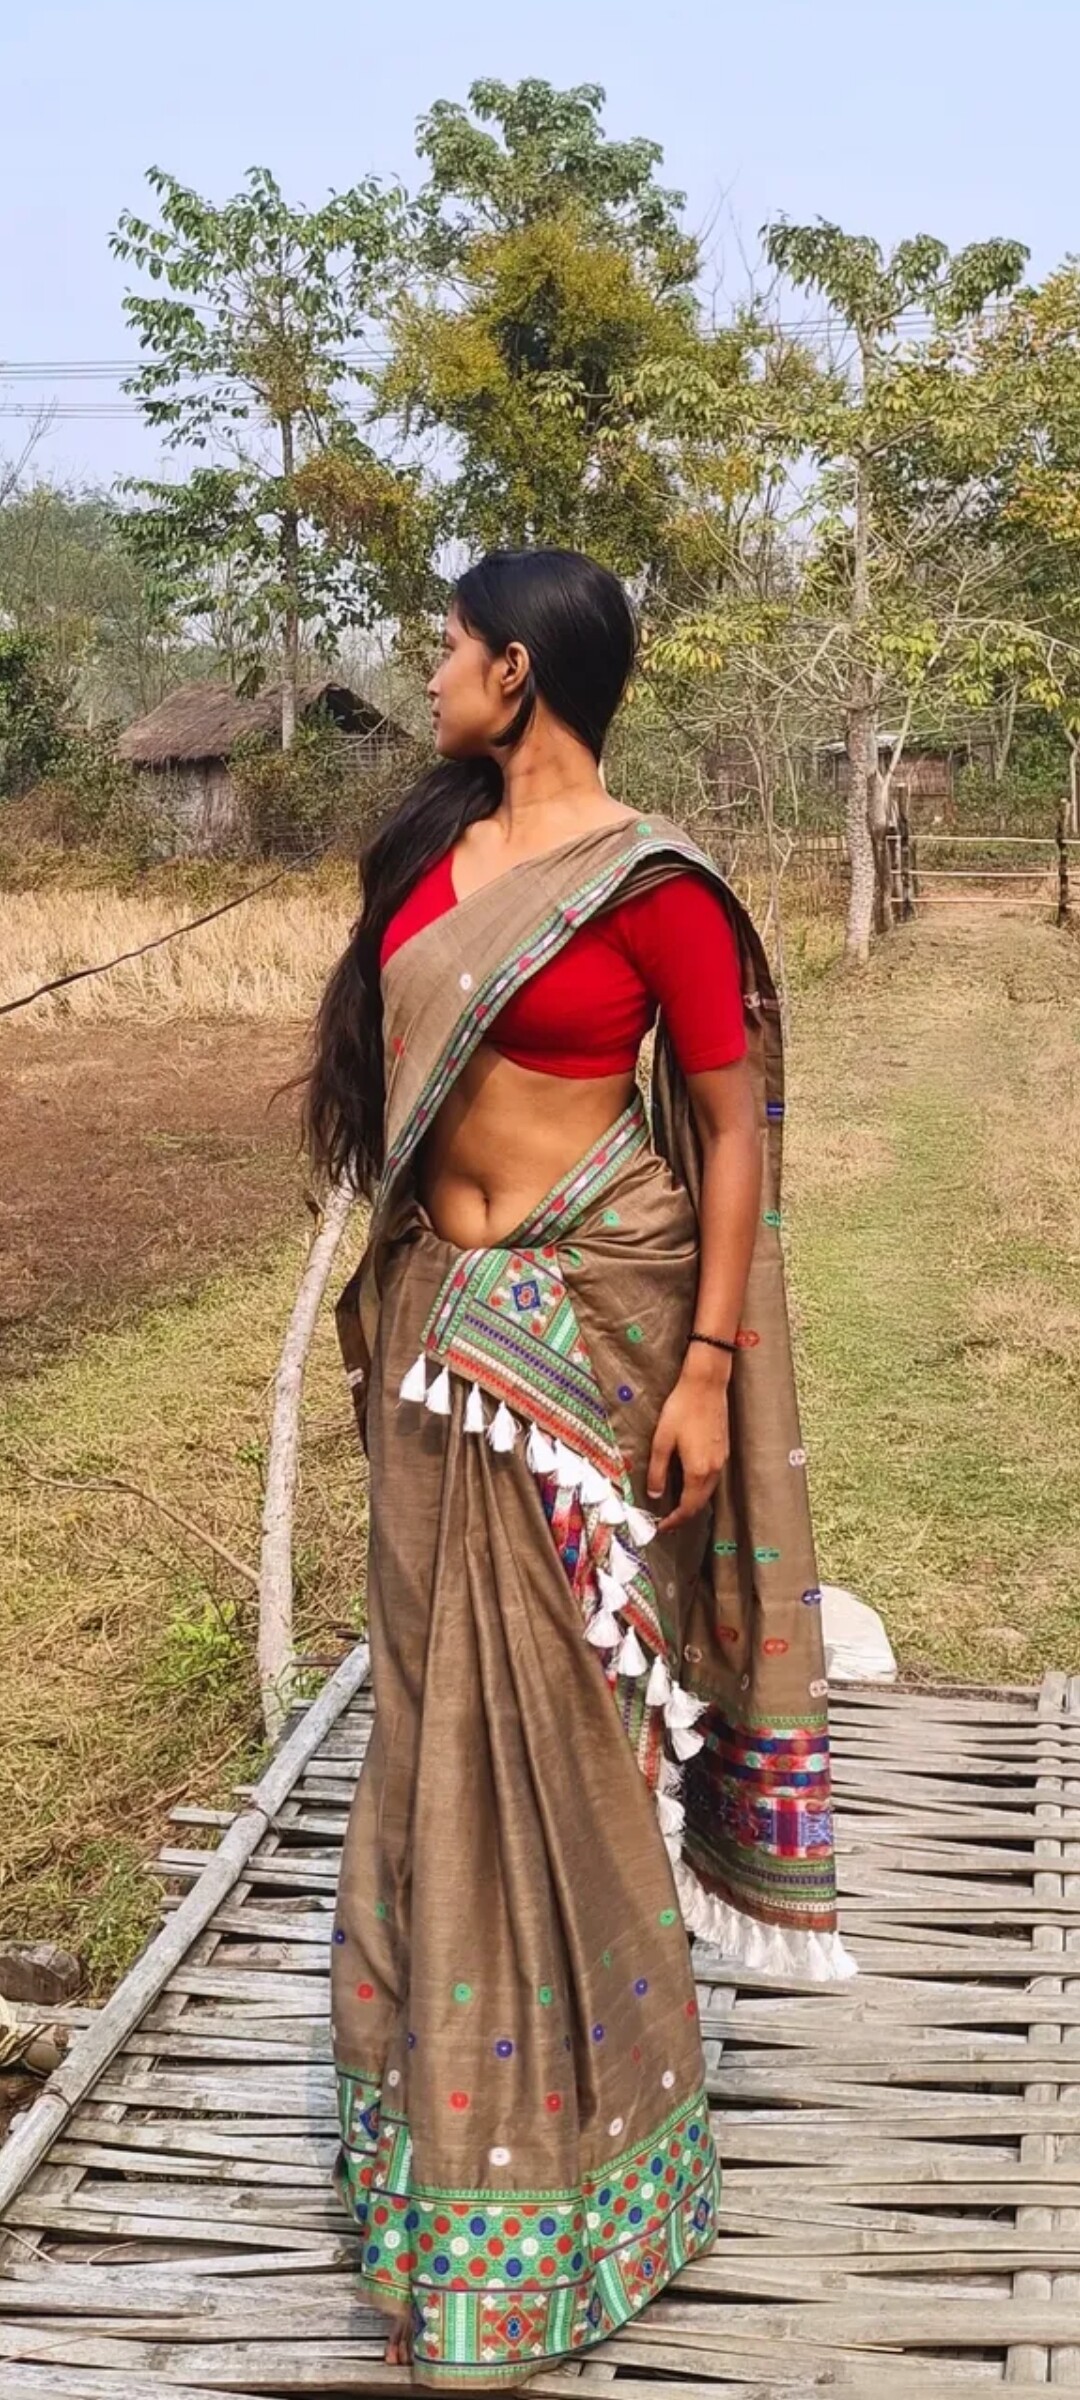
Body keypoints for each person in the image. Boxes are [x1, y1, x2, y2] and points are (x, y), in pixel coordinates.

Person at [304, 546, 856, 2392]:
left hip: (590, 1330)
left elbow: (730, 1130)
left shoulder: (654, 887)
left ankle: (592, 2171)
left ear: (519, 672)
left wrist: (706, 1366)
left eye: (450, 646)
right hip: (433, 1332)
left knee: (563, 1726)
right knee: (427, 1720)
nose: (430, 671)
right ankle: (430, 2154)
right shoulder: (432, 857)